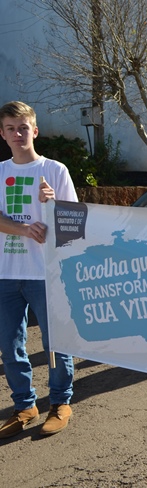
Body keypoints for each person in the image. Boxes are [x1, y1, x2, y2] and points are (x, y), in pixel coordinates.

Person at [0, 101, 76, 438]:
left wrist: (53, 204)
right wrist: (24, 229)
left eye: (23, 128)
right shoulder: (0, 172)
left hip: (46, 272)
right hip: (6, 273)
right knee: (10, 345)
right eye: (11, 128)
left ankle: (60, 402)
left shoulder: (55, 170)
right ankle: (24, 406)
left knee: (55, 342)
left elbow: (74, 223)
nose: (18, 134)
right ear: (2, 134)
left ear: (35, 130)